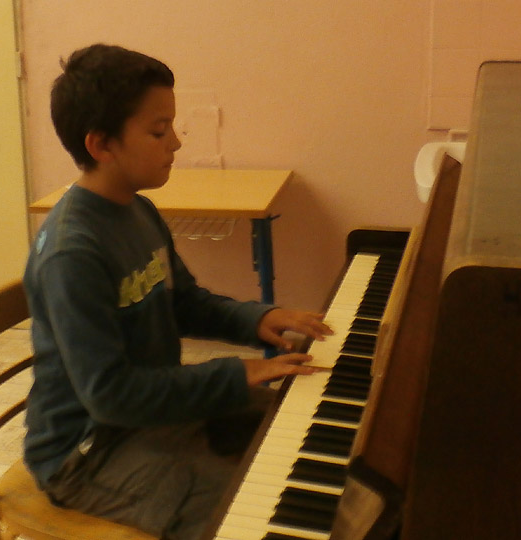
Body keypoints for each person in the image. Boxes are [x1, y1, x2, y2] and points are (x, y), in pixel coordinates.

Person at [22, 43, 332, 540]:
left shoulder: (136, 210)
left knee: (301, 425)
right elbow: (110, 396)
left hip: (147, 413)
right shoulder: (71, 254)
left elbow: (183, 301)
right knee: (242, 509)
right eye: (158, 130)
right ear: (101, 145)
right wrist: (235, 372)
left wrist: (256, 319)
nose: (176, 143)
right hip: (88, 452)